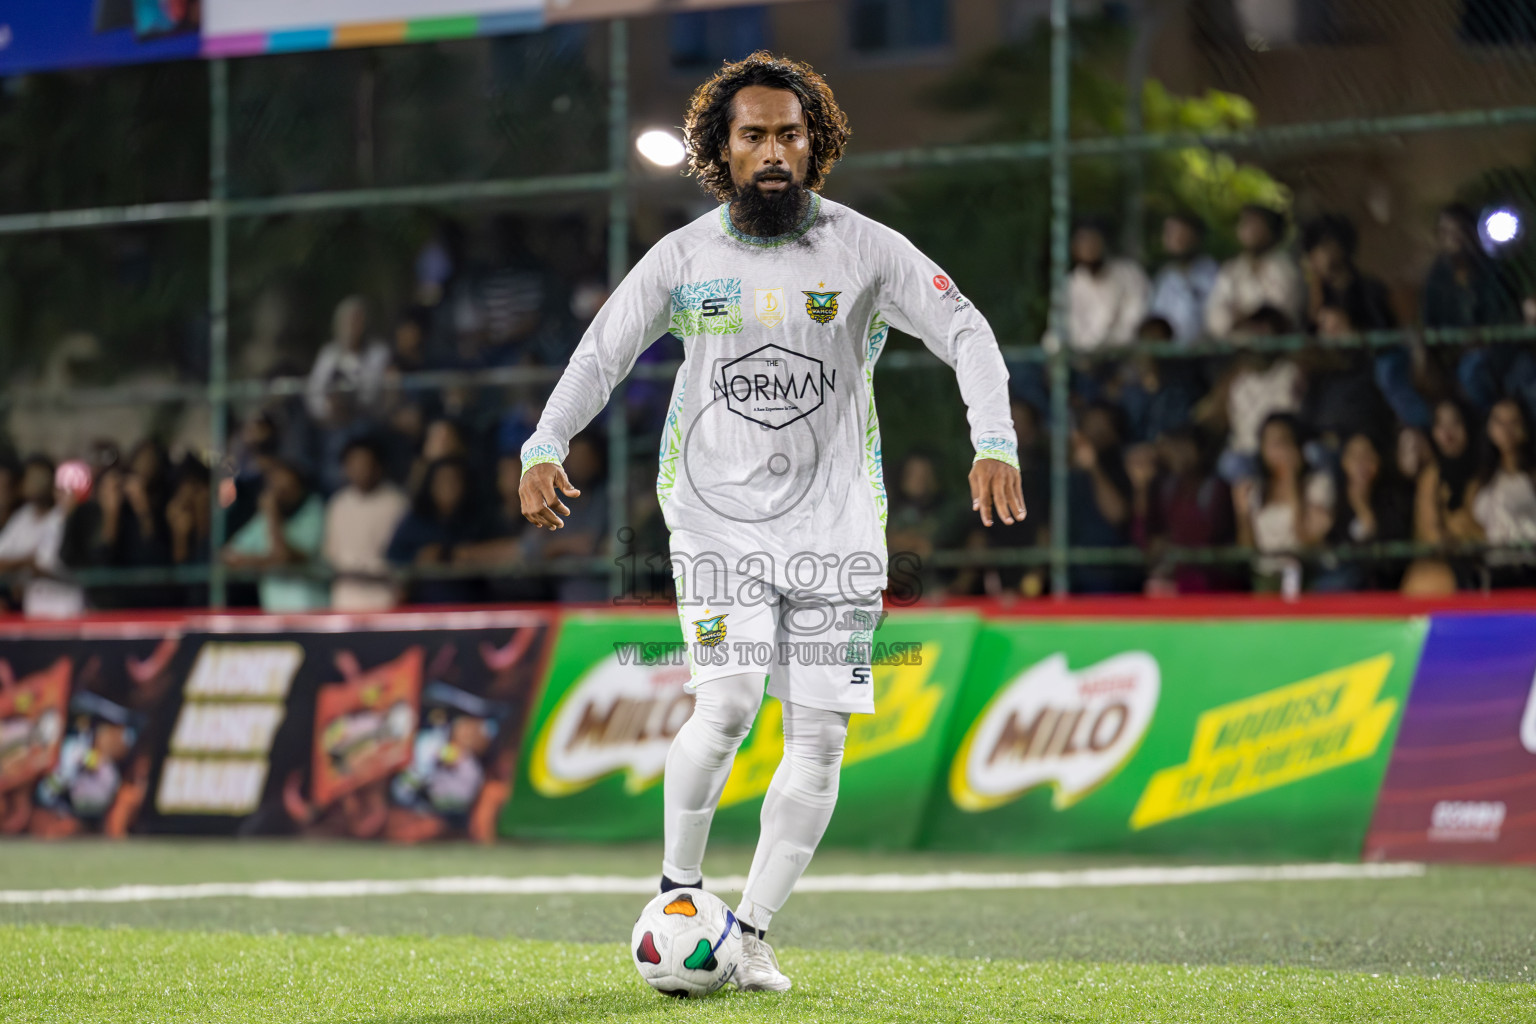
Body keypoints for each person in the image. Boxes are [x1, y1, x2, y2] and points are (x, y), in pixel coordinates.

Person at [515, 53, 1022, 992]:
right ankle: (677, 897)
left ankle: (747, 932)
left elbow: (968, 331)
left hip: (837, 530)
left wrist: (993, 438)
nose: (774, 151)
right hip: (715, 524)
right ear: (722, 149)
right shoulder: (683, 257)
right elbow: (601, 353)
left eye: (790, 133)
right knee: (732, 704)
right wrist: (543, 445)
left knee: (821, 738)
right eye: (753, 136)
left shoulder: (866, 248)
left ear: (816, 144)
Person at [1233, 413, 1333, 592]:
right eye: (1271, 443)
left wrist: (1292, 482)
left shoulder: (1317, 485)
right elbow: (1247, 549)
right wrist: (1242, 514)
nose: (1278, 449)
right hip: (1266, 576)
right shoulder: (1256, 491)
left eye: (1284, 441)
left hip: (1308, 574)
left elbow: (1307, 539)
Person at [222, 457, 329, 613]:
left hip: (312, 612)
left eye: (287, 488)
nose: (281, 495)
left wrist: (272, 513)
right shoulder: (264, 519)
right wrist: (267, 561)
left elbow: (283, 556)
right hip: (275, 613)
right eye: (276, 489)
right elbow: (228, 557)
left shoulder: (313, 510)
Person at [1313, 431, 1413, 591]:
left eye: (1367, 455)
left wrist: (1363, 509)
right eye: (1354, 455)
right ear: (1344, 461)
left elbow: (1389, 557)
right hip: (1339, 577)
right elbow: (1330, 548)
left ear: (1378, 460)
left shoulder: (1394, 498)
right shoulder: (1333, 497)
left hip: (1380, 580)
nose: (1361, 462)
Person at [386, 456, 489, 605]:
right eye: (442, 481)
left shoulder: (478, 517)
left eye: (454, 481)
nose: (449, 487)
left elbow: (509, 551)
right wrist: (419, 558)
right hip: (423, 607)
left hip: (472, 606)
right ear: (431, 484)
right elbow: (393, 557)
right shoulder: (416, 519)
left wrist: (459, 554)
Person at [324, 437, 409, 612]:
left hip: (385, 596)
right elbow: (331, 554)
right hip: (345, 597)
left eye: (366, 464)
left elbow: (404, 559)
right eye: (354, 464)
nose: (361, 470)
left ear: (379, 466)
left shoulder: (397, 503)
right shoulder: (338, 504)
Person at [0, 455, 85, 618]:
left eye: (41, 478)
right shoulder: (23, 516)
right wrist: (26, 562)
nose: (36, 484)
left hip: (66, 611)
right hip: (34, 610)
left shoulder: (63, 516)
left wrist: (20, 565)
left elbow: (47, 564)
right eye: (31, 478)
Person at [1048, 219, 1149, 354]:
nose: (1088, 247)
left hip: (1121, 357)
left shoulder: (1129, 274)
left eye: (1093, 240)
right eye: (1083, 241)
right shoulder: (1070, 284)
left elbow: (1133, 323)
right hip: (1078, 360)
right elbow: (1062, 329)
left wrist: (1099, 350)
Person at [1206, 205, 1305, 339]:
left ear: (1271, 230)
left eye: (1255, 224)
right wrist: (1235, 321)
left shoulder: (1285, 269)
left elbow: (1278, 315)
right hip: (1232, 349)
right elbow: (1215, 313)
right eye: (1245, 223)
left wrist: (1242, 316)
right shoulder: (1231, 270)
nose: (1249, 229)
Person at [1466, 399, 1536, 587]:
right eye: (1499, 422)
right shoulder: (1481, 479)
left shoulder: (1531, 476)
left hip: (1528, 568)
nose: (1507, 429)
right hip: (1493, 568)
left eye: (1514, 422)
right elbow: (1473, 527)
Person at [1148, 212, 1219, 344]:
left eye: (1177, 232)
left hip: (1207, 353)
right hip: (1170, 355)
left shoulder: (1214, 274)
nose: (1172, 239)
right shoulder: (1165, 277)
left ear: (1195, 236)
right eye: (1168, 233)